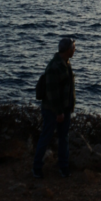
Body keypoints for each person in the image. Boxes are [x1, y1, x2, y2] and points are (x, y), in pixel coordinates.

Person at [33, 36, 76, 178]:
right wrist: (59, 112)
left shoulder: (66, 63)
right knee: (46, 137)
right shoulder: (53, 67)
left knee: (64, 138)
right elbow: (52, 93)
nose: (75, 49)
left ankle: (63, 167)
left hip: (63, 109)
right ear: (68, 50)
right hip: (52, 110)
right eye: (73, 47)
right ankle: (37, 168)